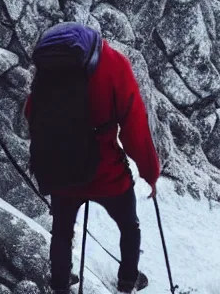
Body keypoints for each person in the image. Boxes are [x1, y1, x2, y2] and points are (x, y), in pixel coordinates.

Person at [24, 22, 161, 293]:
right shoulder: (114, 64)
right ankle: (127, 281)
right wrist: (150, 172)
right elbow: (135, 126)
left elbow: (33, 112)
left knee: (62, 230)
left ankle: (60, 284)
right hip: (106, 173)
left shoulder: (51, 68)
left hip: (61, 169)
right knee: (129, 226)